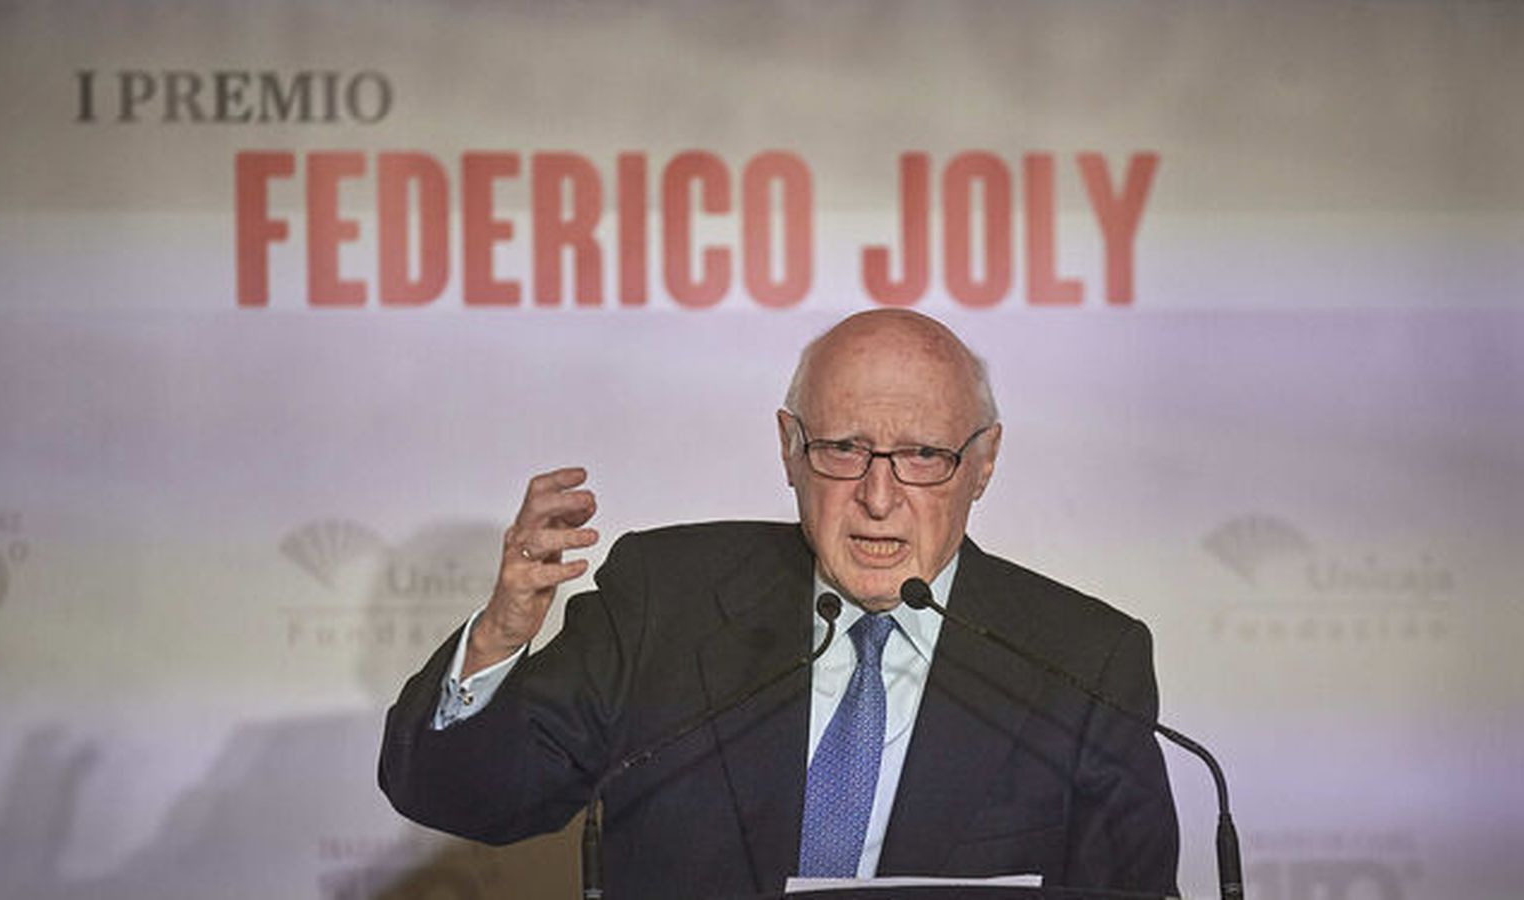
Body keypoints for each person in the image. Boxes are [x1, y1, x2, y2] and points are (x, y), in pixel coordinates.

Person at [379, 310, 1179, 898]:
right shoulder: (668, 595)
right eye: (843, 450)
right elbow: (465, 798)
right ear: (790, 448)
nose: (877, 496)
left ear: (984, 461)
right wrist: (501, 636)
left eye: (923, 456)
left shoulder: (1082, 661)